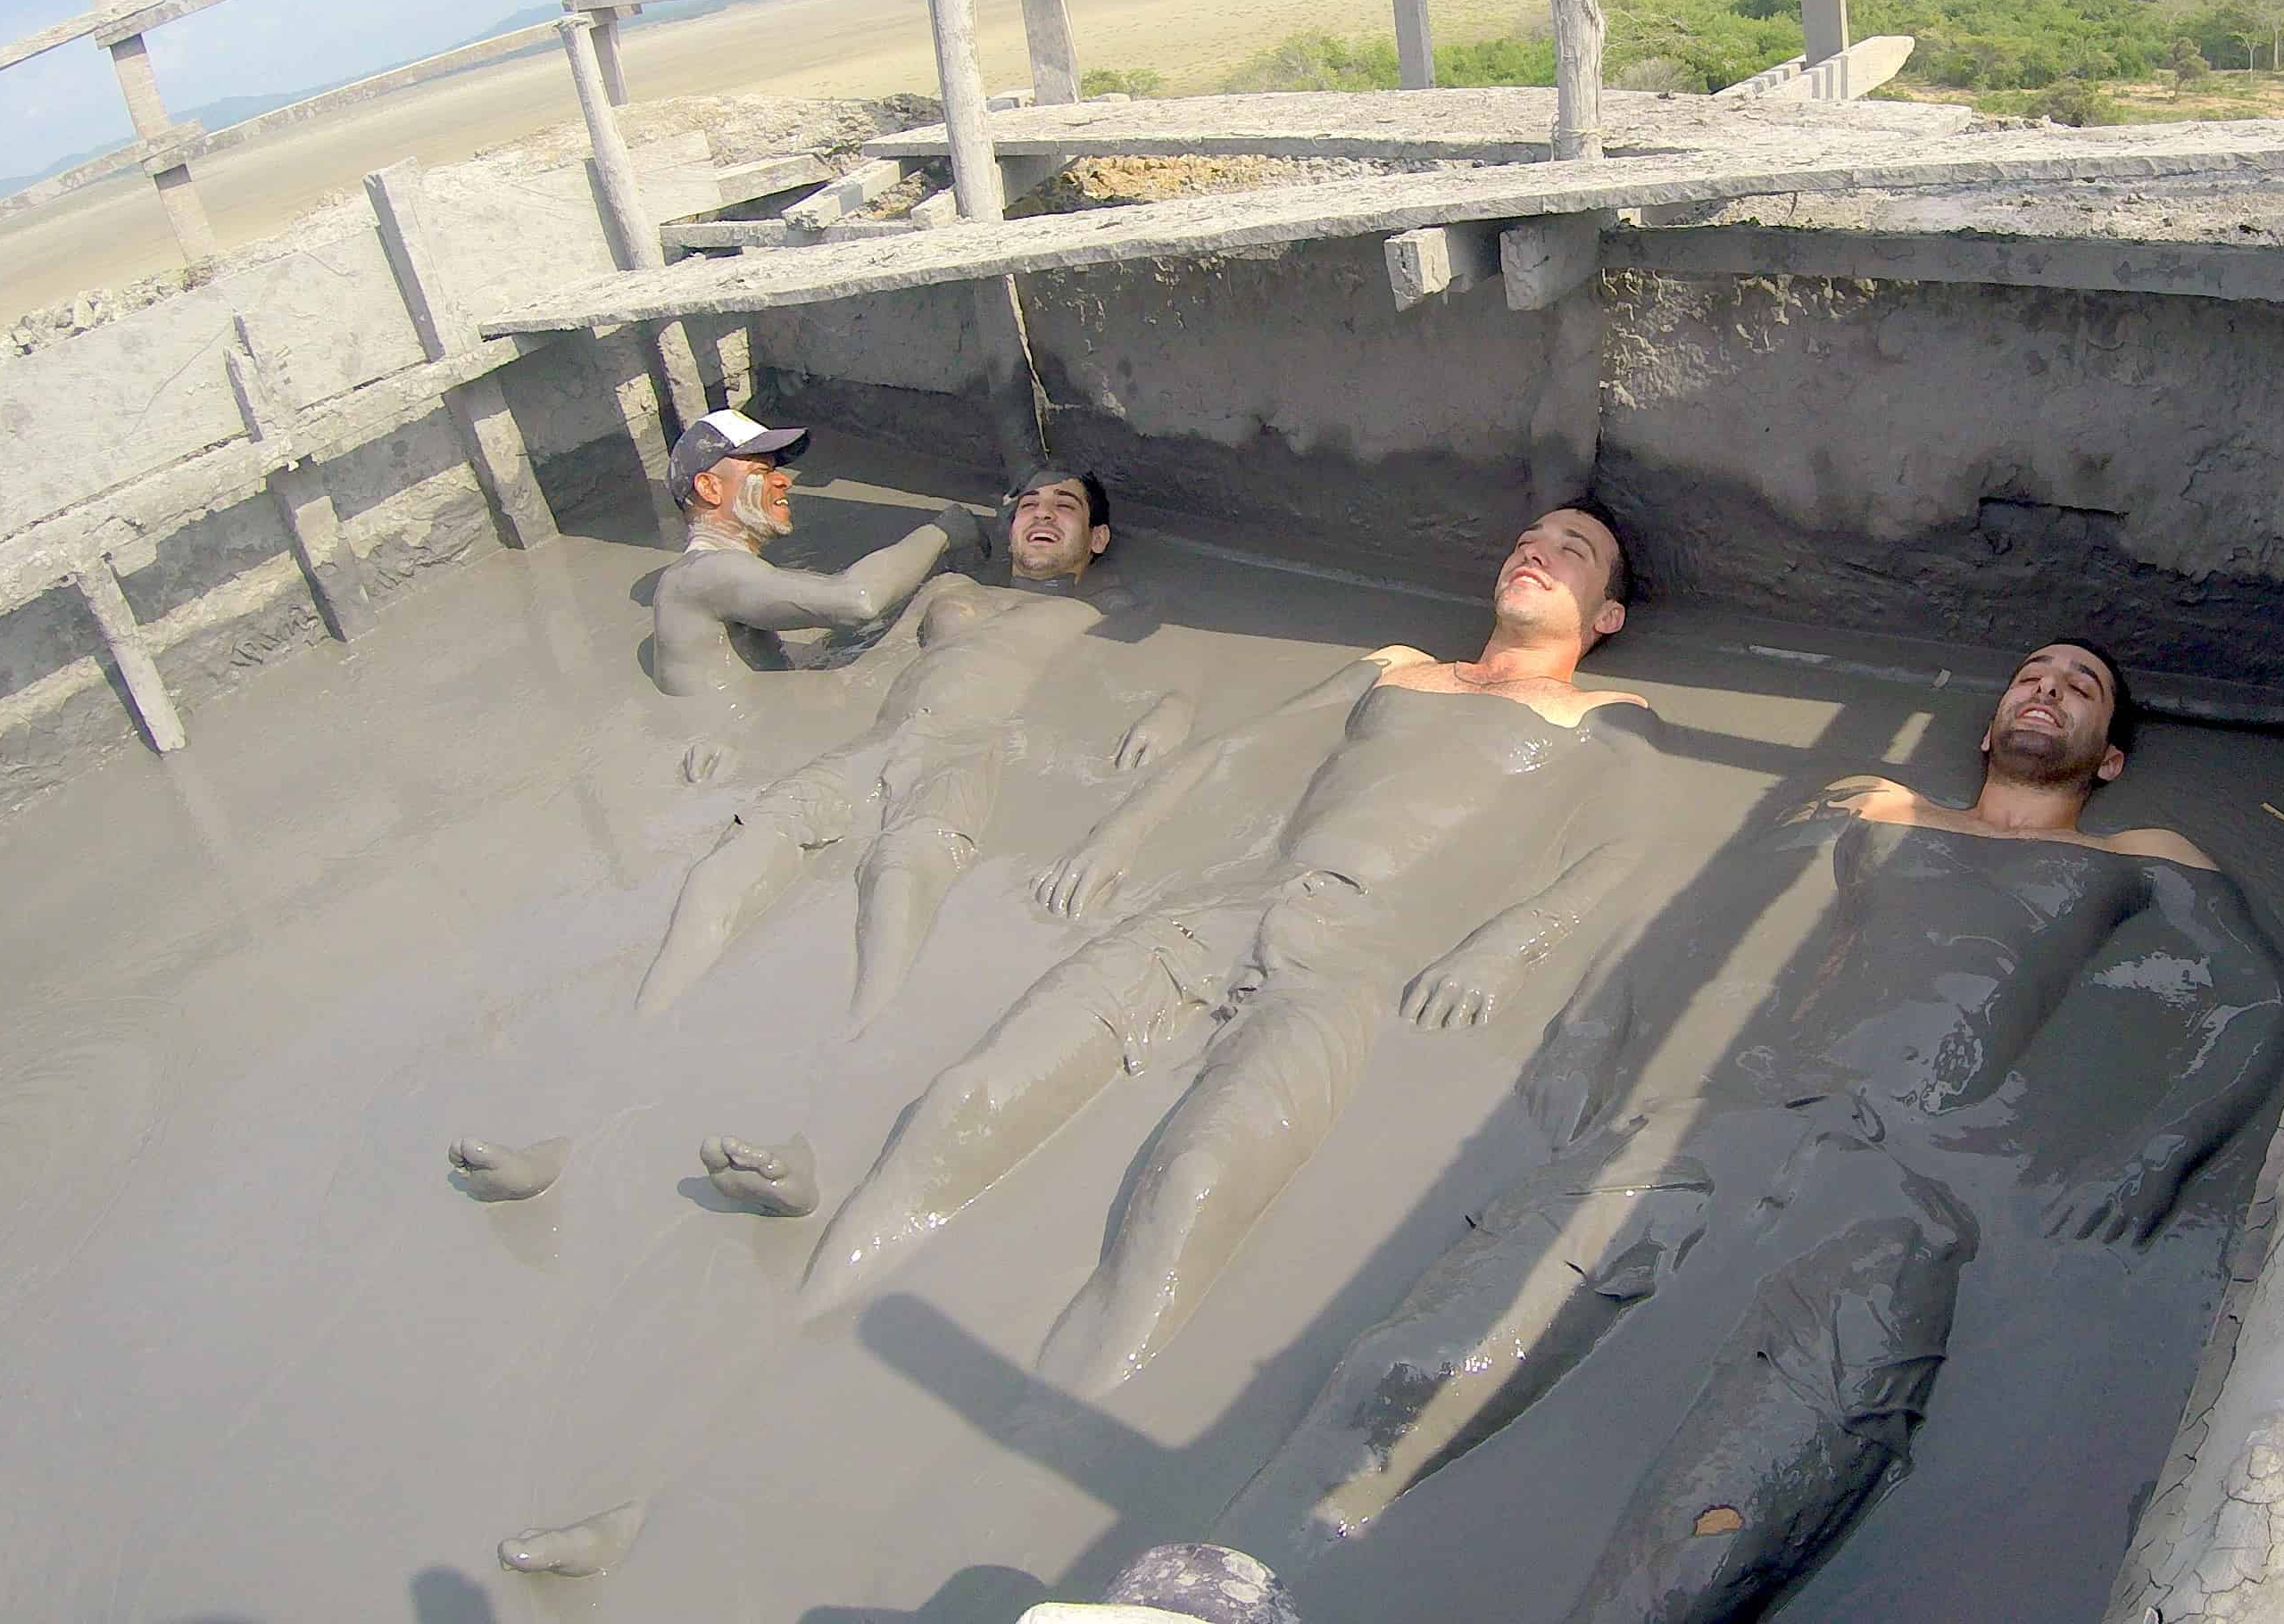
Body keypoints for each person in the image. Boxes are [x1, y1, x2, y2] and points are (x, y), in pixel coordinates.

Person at [1208, 639, 2284, 1622]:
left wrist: (2157, 1151)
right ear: (1990, 719)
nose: (2046, 692)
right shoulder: (1877, 807)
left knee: (1757, 1483)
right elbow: (1704, 910)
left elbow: (2251, 998)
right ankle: (1229, 1572)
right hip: (1735, 1120)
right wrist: (1596, 1032)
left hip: (1912, 1180)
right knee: (1429, 1352)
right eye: (2030, 677)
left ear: (2106, 758)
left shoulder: (2144, 852)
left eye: (2079, 688)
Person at [793, 501, 1665, 1396]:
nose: (1537, 554)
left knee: (1200, 1177)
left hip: (1353, 961)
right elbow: (1239, 749)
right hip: (1226, 907)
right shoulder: (1399, 669)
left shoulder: (1605, 713)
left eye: (1574, 551)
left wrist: (1509, 943)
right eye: (1527, 540)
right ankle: (803, 1317)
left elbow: (1625, 848)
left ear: (1607, 617)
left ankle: (1064, 1406)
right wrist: (1118, 835)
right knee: (969, 1096)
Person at [635, 467, 1191, 1039]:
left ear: (1097, 539)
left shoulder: (1109, 608)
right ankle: (650, 1009)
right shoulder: (950, 590)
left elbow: (1167, 668)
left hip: (972, 746)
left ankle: (859, 1032)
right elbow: (858, 667)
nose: (1043, 514)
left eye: (1065, 506)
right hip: (884, 735)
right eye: (1030, 505)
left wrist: (1172, 709)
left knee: (900, 868)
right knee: (750, 834)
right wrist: (741, 730)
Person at [648, 408, 984, 700]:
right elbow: (857, 600)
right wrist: (943, 532)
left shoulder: (707, 580)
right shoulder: (703, 574)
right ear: (710, 487)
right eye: (762, 471)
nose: (784, 481)